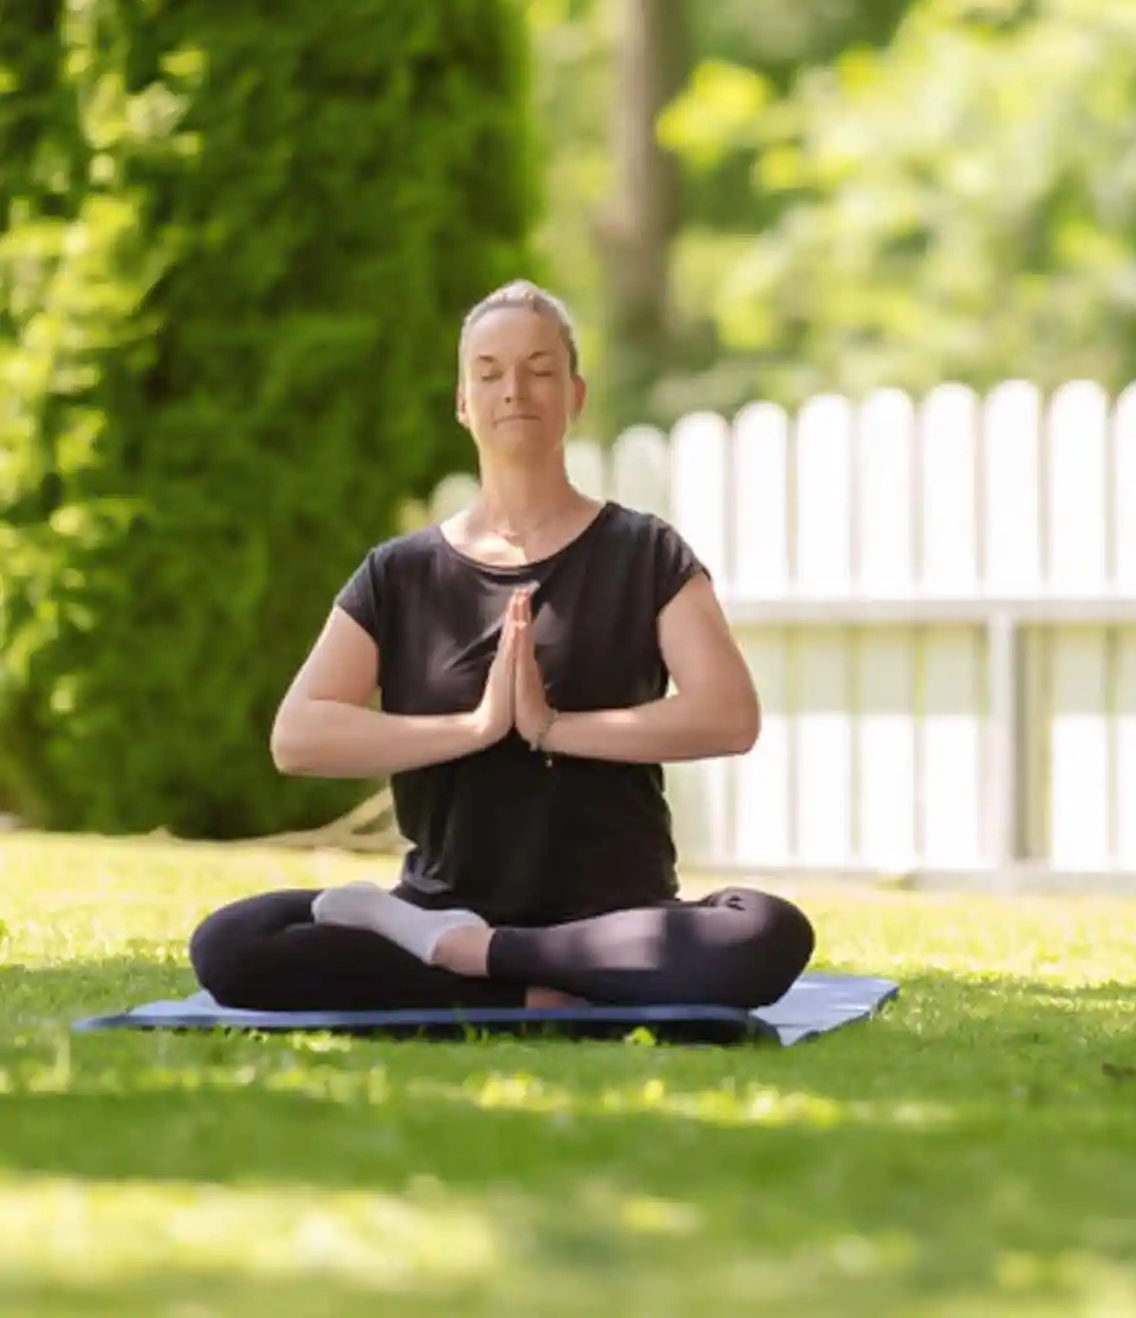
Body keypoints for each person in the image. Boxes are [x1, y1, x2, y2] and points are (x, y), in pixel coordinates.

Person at [190, 281, 814, 1015]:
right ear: (463, 402)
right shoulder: (400, 574)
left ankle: (486, 963)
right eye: (488, 372)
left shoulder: (645, 552)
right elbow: (297, 737)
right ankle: (519, 982)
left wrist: (552, 728)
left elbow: (729, 717)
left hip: (614, 922)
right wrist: (477, 729)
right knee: (234, 943)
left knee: (768, 933)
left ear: (576, 394)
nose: (514, 389)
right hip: (441, 904)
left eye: (539, 369)